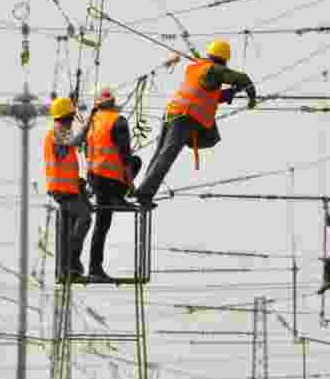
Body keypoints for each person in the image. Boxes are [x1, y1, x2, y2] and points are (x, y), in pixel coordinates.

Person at [133, 40, 256, 205]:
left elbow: (204, 94)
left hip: (174, 113)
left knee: (162, 154)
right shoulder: (214, 69)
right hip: (185, 117)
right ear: (224, 60)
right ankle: (144, 194)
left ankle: (143, 190)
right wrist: (252, 96)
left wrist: (226, 94)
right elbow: (242, 78)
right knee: (167, 155)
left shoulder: (200, 68)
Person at [85, 87, 143, 282]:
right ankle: (118, 197)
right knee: (136, 161)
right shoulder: (118, 121)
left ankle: (94, 267)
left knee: (101, 224)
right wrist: (130, 186)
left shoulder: (92, 122)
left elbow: (89, 152)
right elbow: (126, 158)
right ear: (112, 103)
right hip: (111, 181)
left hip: (95, 179)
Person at [43, 97, 94, 283]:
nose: (73, 120)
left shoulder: (60, 132)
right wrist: (89, 123)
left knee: (72, 226)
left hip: (67, 188)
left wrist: (79, 182)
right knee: (85, 217)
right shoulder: (58, 131)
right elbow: (78, 140)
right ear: (66, 116)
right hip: (62, 190)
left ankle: (68, 266)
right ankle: (72, 259)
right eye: (71, 116)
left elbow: (65, 164)